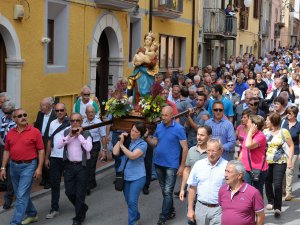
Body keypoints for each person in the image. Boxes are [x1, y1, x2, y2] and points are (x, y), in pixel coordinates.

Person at [144, 106, 188, 225]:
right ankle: (171, 210)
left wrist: (182, 166)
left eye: (165, 115)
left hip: (171, 166)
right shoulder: (159, 127)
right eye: (162, 115)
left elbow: (185, 148)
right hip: (158, 164)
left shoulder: (179, 129)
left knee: (168, 192)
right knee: (165, 192)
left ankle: (162, 218)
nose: (163, 117)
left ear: (172, 115)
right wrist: (147, 137)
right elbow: (155, 143)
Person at [0, 108, 45, 225]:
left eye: (25, 115)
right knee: (21, 194)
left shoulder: (35, 131)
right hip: (13, 166)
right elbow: (6, 151)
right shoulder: (10, 132)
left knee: (20, 195)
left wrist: (39, 168)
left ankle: (15, 222)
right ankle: (32, 214)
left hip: (29, 166)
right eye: (19, 116)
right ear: (14, 119)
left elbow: (41, 150)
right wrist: (3, 168)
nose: (23, 117)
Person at [57, 113, 92, 225]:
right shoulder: (67, 132)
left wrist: (79, 135)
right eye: (72, 121)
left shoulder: (86, 133)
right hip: (70, 166)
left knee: (80, 193)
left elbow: (88, 148)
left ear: (81, 121)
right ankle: (83, 207)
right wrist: (70, 136)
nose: (75, 123)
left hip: (82, 166)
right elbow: (58, 145)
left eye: (77, 120)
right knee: (69, 192)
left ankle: (78, 218)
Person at [113, 122, 148, 225]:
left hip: (138, 177)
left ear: (140, 134)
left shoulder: (143, 144)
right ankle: (136, 215)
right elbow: (115, 152)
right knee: (129, 201)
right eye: (132, 130)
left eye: (136, 132)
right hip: (125, 176)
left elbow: (132, 156)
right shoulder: (127, 140)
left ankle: (132, 223)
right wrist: (121, 140)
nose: (133, 133)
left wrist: (122, 146)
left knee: (132, 201)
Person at [186, 138, 228, 225]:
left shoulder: (227, 166)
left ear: (221, 151)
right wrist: (190, 209)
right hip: (201, 208)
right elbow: (192, 188)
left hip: (219, 209)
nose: (211, 154)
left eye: (214, 151)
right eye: (208, 150)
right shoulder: (198, 165)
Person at [263, 113, 294, 217]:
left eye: (267, 120)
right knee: (267, 182)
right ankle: (271, 201)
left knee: (277, 184)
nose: (266, 122)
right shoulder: (265, 132)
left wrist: (290, 160)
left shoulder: (283, 132)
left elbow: (291, 145)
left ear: (273, 122)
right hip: (266, 161)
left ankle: (277, 207)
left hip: (280, 161)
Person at [179, 125, 211, 225]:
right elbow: (187, 170)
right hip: (192, 191)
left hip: (206, 193)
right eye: (198, 134)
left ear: (209, 137)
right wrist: (182, 189)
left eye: (202, 135)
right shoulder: (191, 150)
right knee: (191, 218)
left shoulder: (212, 153)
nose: (199, 137)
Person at [218, 160, 265, 225]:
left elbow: (261, 216)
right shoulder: (222, 190)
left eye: (229, 172)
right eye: (225, 171)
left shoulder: (253, 193)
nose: (225, 175)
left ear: (239, 175)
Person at [44, 103, 70, 219]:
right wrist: (46, 157)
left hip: (68, 158)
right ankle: (54, 208)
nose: (59, 112)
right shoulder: (52, 123)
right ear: (55, 112)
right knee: (55, 184)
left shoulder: (70, 123)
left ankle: (79, 205)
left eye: (61, 110)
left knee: (70, 185)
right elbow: (49, 141)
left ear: (65, 111)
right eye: (57, 110)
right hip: (54, 158)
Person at [241, 115, 268, 196]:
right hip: (246, 168)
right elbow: (244, 150)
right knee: (246, 191)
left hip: (257, 169)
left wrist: (249, 133)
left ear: (254, 125)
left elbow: (248, 145)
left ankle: (258, 208)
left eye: (249, 121)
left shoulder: (260, 136)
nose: (246, 122)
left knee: (257, 192)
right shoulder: (249, 134)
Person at [82, 105, 106, 194]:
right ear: (86, 113)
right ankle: (92, 182)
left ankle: (87, 187)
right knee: (86, 165)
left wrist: (104, 150)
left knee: (91, 165)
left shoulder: (98, 122)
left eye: (92, 112)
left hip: (95, 145)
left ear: (95, 113)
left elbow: (103, 137)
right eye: (89, 112)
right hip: (85, 146)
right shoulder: (83, 122)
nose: (91, 114)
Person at [34, 97, 57, 189]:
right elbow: (36, 126)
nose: (40, 107)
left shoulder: (55, 115)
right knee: (40, 159)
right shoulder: (40, 114)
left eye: (42, 105)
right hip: (40, 139)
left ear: (49, 106)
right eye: (41, 105)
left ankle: (49, 180)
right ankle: (43, 177)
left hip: (50, 140)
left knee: (48, 160)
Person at [281, 106, 300, 201]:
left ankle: (288, 192)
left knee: (289, 170)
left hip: (295, 150)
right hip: (283, 150)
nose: (288, 115)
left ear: (295, 115)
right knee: (282, 170)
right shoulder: (283, 123)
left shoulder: (299, 125)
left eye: (290, 113)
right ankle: (283, 189)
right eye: (287, 113)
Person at [0, 101, 16, 210]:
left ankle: (8, 200)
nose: (7, 114)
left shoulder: (18, 119)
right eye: (5, 112)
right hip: (4, 148)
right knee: (5, 170)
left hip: (14, 151)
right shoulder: (3, 119)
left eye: (8, 112)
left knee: (11, 176)